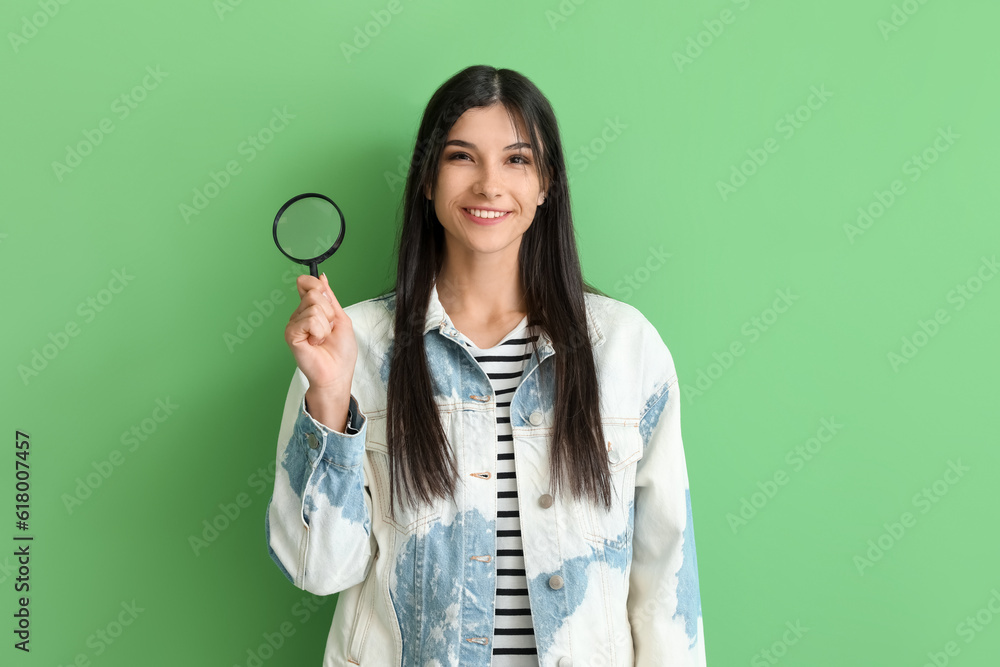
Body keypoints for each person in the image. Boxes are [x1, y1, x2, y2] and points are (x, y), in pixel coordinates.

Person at [265, 65, 706, 667]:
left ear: (547, 183)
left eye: (517, 160)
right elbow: (315, 569)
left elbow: (665, 581)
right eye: (462, 157)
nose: (490, 184)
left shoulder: (625, 347)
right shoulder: (352, 346)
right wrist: (331, 398)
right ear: (427, 180)